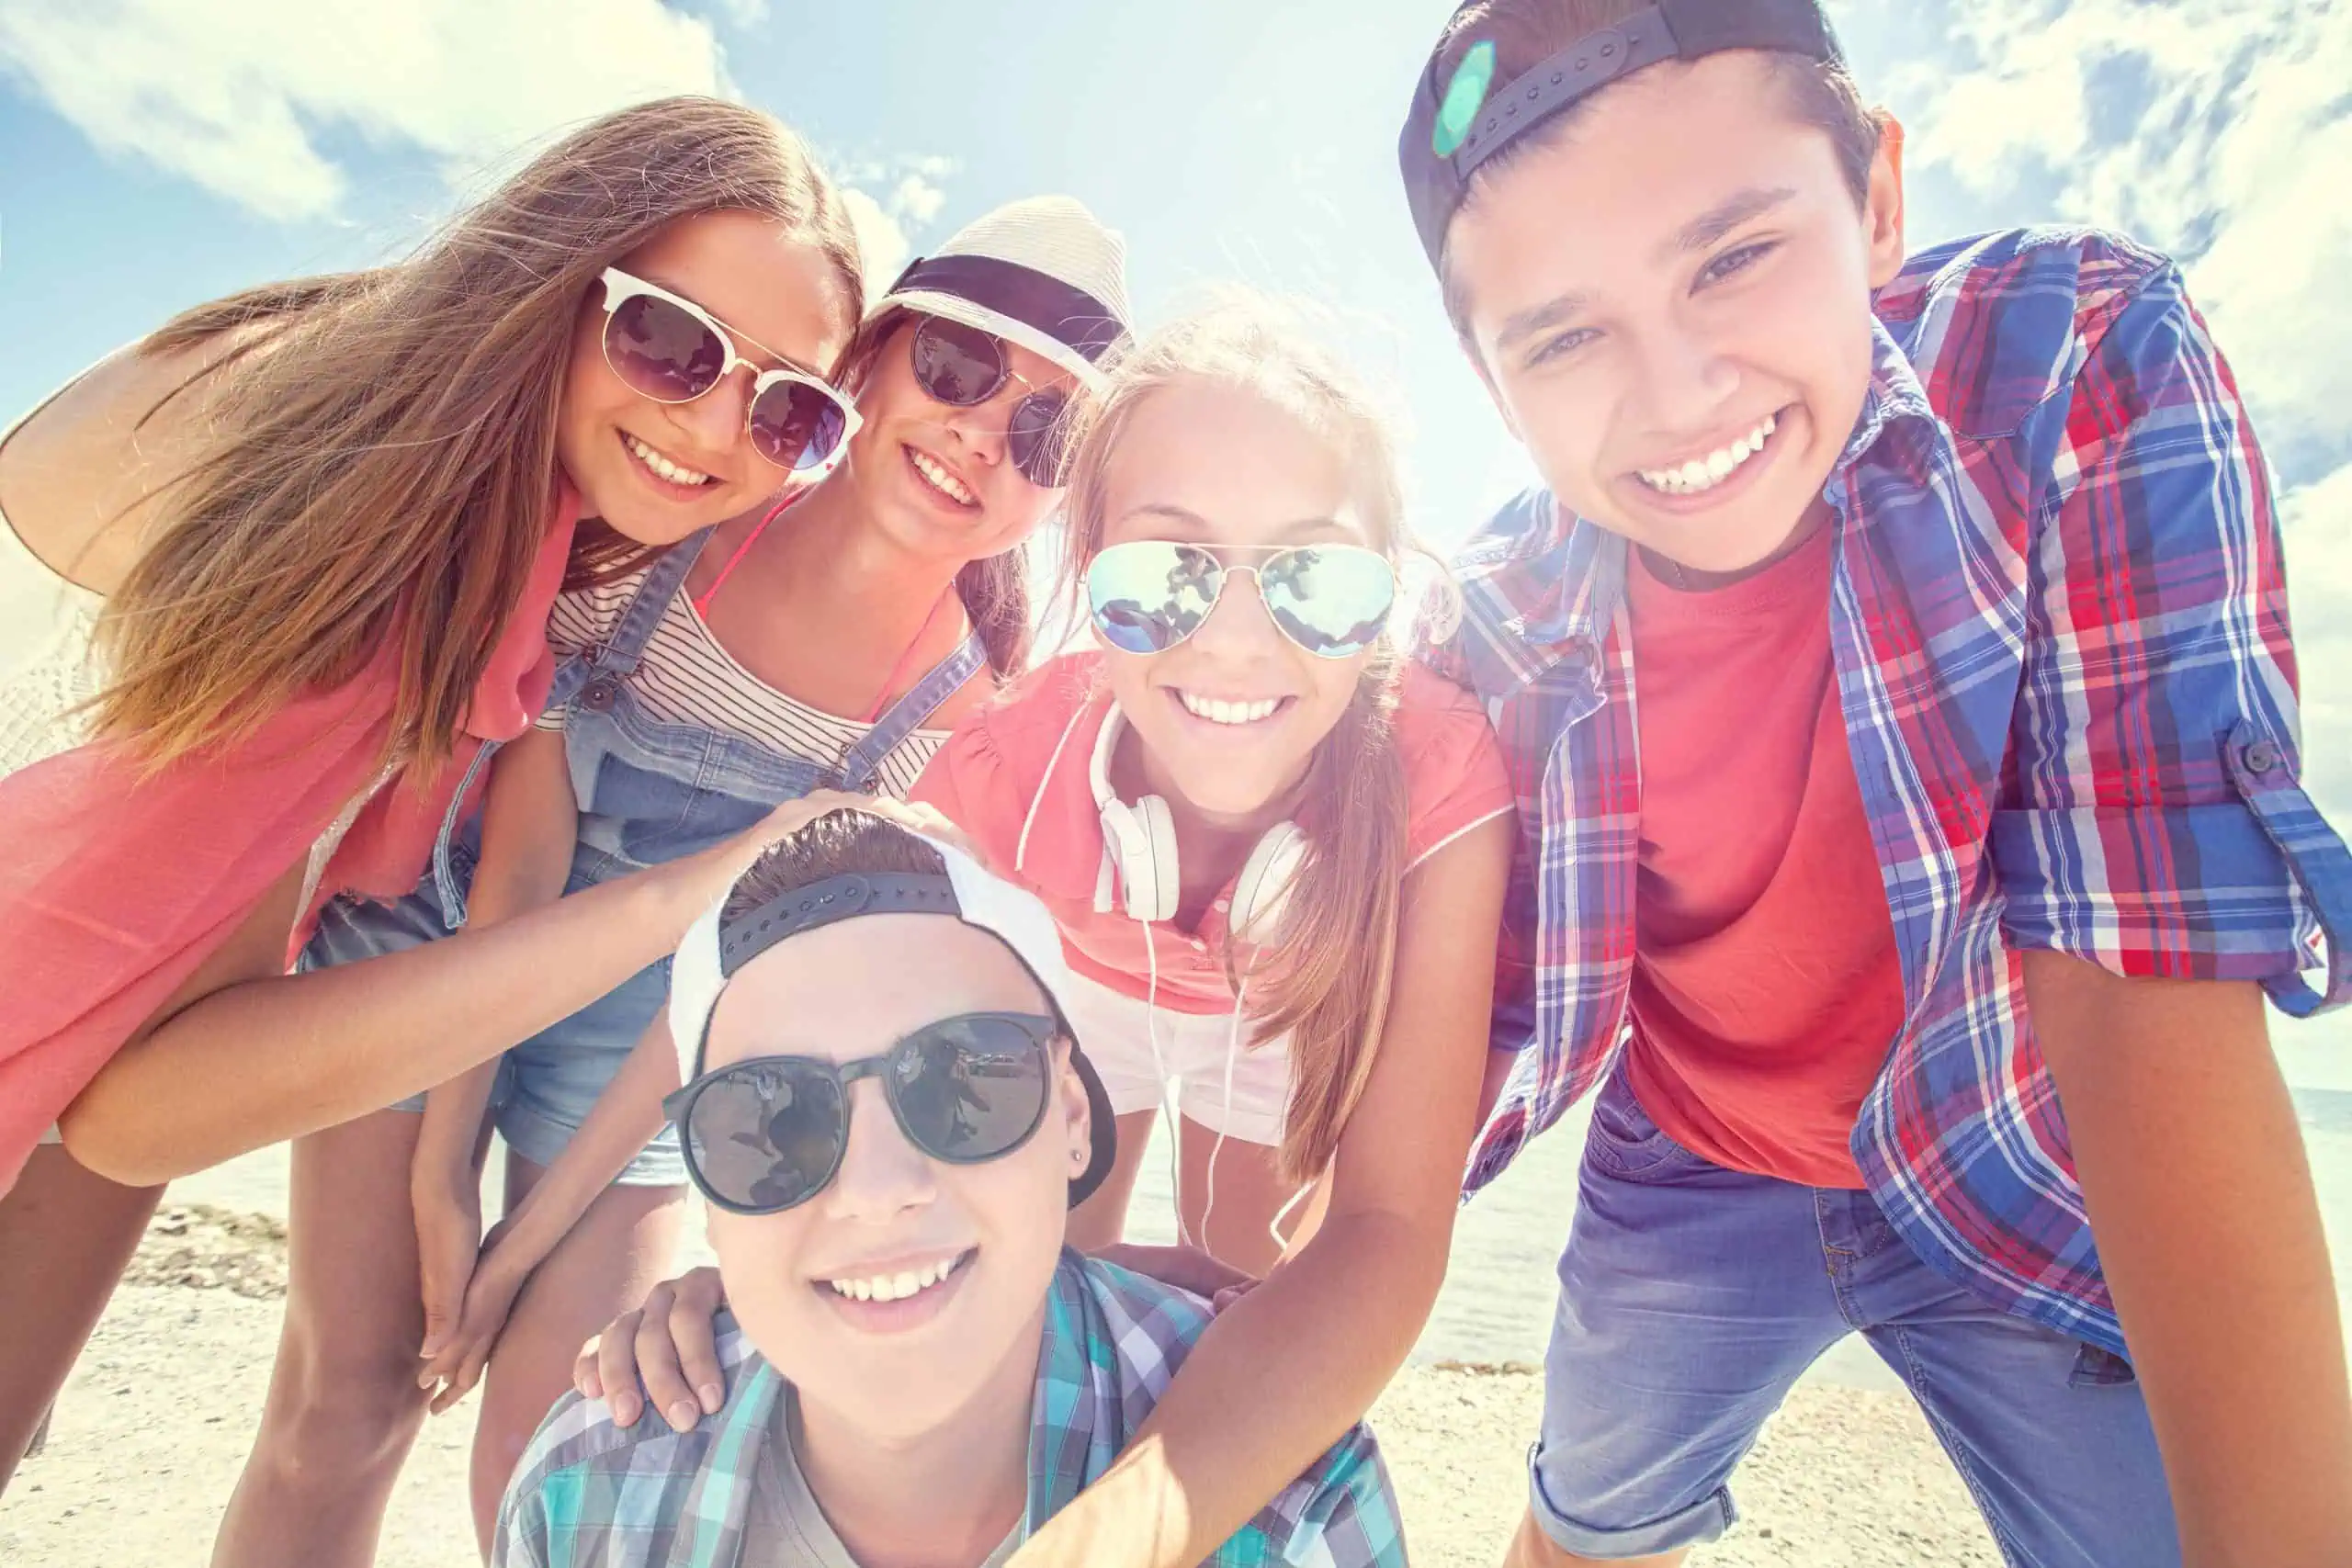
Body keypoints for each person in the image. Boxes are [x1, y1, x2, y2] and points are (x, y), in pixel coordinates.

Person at [1396, 2, 2352, 1564]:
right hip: (1687, 1161)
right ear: (1489, 377)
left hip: (2018, 1144)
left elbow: (2142, 976)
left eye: (1731, 256)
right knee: (1583, 1523)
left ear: (1878, 197)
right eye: (1563, 336)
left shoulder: (2074, 361)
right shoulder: (1496, 614)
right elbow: (1394, 1023)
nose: (1680, 390)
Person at [216, 197, 1135, 1562]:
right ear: (875, 358)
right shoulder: (671, 527)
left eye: (1045, 434)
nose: (980, 435)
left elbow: (710, 1000)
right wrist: (435, 1180)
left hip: (662, 1063)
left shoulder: (959, 723)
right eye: (954, 371)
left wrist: (517, 1248)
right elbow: (518, 869)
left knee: (563, 1450)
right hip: (440, 953)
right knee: (339, 1403)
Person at [0, 98, 865, 1497]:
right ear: (562, 272)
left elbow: (169, 979)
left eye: (791, 412)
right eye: (668, 339)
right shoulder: (372, 525)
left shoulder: (400, 431)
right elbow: (142, 1106)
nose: (715, 423)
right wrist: (689, 889)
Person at [576, 299, 1517, 1562]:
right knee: (1042, 1288)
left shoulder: (1442, 764)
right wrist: (765, 1284)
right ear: (1087, 578)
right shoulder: (1011, 760)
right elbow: (768, 1004)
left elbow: (1386, 1235)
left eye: (1317, 578)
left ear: (1387, 596)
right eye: (1161, 574)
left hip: (1281, 998)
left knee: (1253, 1308)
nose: (1236, 640)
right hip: (1098, 982)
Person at [494, 807, 1406, 1567]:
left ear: (1074, 1115)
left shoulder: (1290, 1506)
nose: (877, 1189)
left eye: (964, 1080)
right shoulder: (590, 1497)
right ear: (704, 1187)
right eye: (770, 1124)